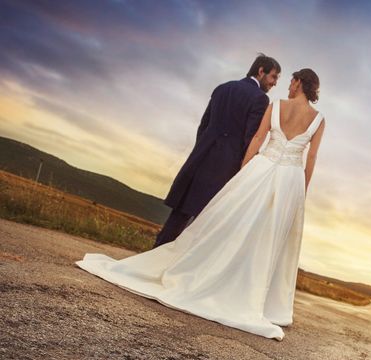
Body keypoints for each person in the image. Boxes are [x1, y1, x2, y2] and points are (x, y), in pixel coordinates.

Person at [76, 69, 325, 340]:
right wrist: (303, 189)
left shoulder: (276, 105)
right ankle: (257, 295)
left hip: (261, 169)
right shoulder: (319, 120)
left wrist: (243, 172)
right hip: (290, 179)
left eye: (291, 81)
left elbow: (257, 140)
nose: (287, 86)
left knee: (232, 224)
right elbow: (310, 159)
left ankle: (216, 274)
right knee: (270, 235)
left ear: (299, 83)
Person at [154, 54, 281, 247]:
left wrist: (203, 148)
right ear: (261, 71)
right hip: (226, 167)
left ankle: (156, 252)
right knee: (207, 218)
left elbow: (203, 125)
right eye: (273, 77)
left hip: (201, 157)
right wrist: (245, 169)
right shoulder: (260, 99)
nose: (274, 83)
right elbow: (250, 138)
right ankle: (182, 266)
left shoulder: (223, 88)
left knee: (180, 212)